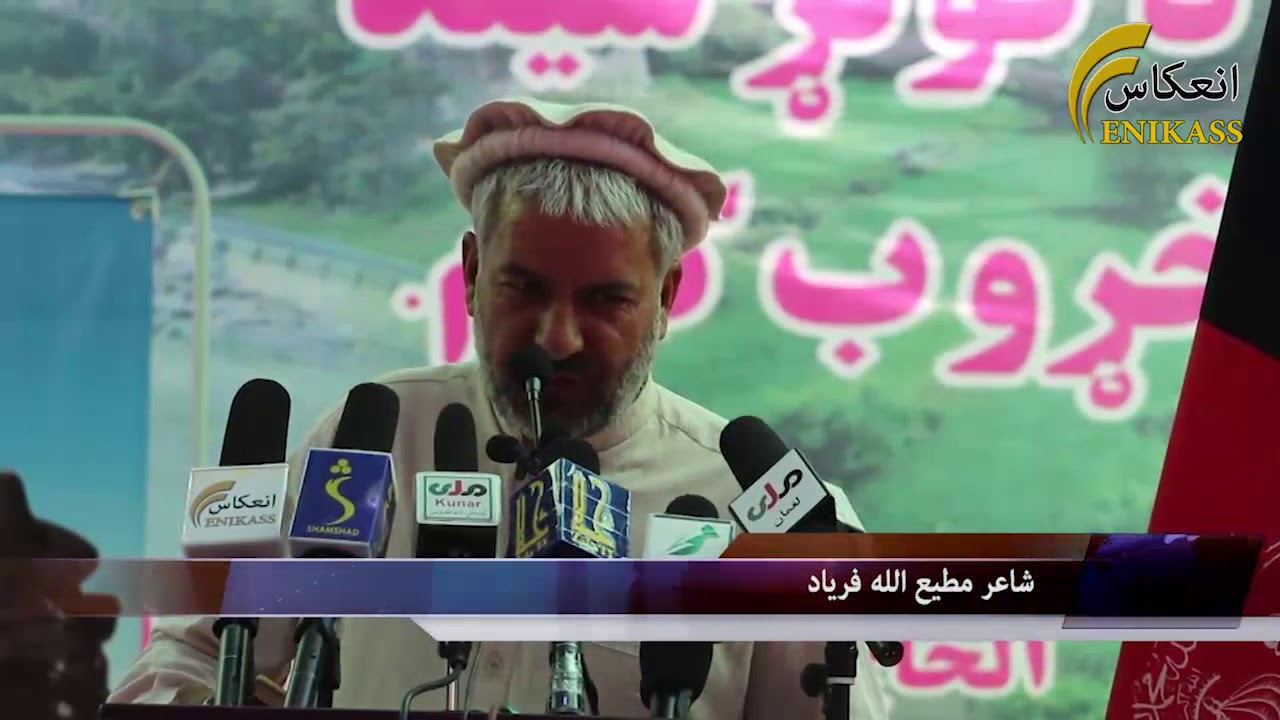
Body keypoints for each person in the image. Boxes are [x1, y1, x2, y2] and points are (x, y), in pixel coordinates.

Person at [108, 98, 891, 718]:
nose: (557, 338)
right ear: (473, 271)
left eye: (606, 300)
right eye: (524, 288)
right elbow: (195, 654)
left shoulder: (764, 515)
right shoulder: (369, 438)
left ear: (666, 298)